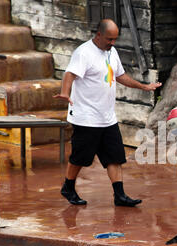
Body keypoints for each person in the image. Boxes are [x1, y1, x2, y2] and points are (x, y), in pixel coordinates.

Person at [53, 19, 161, 207]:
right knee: (80, 157)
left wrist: (143, 87)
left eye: (115, 39)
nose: (112, 43)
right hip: (86, 117)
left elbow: (120, 76)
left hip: (107, 117)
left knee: (115, 156)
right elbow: (69, 74)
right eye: (109, 39)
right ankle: (68, 187)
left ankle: (119, 195)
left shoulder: (112, 52)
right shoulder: (84, 53)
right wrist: (64, 93)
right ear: (98, 35)